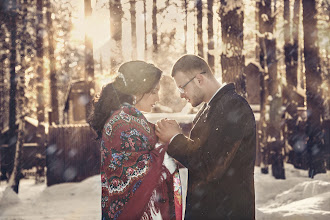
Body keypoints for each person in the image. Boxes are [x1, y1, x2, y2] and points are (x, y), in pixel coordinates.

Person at [156, 55, 256, 219]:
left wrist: (175, 138)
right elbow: (201, 157)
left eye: (182, 88)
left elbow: (211, 167)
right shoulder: (208, 110)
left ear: (199, 79)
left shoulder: (233, 106)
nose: (181, 95)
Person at [88, 61, 185, 220]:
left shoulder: (128, 119)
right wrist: (170, 142)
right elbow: (141, 172)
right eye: (154, 91)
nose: (158, 98)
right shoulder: (123, 123)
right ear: (136, 91)